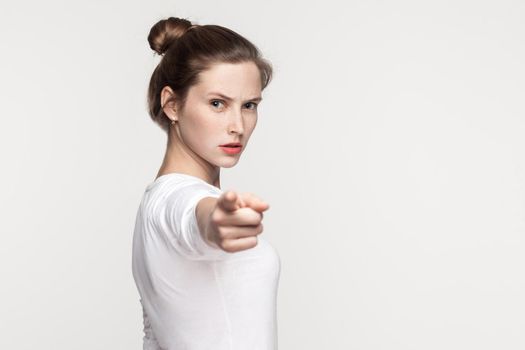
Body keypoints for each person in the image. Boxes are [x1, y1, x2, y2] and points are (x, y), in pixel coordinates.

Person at [131, 17, 281, 350]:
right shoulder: (175, 198)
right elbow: (192, 217)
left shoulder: (154, 199)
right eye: (217, 103)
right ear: (172, 104)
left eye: (249, 106)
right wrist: (216, 220)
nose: (238, 125)